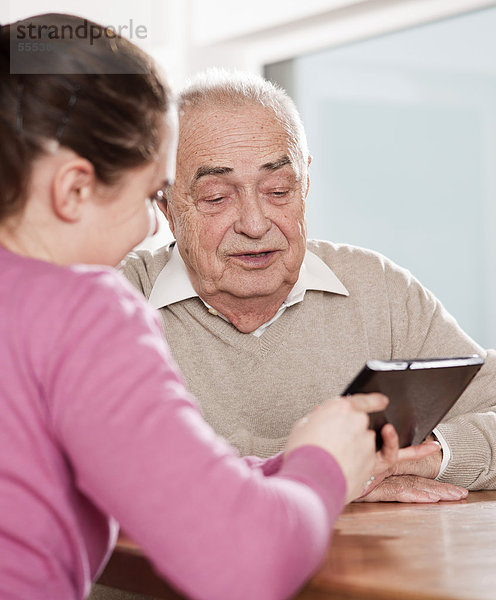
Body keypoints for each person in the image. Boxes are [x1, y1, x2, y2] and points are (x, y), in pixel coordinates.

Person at [0, 13, 431, 600]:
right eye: (152, 196)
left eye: (279, 190)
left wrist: (295, 463)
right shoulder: (85, 309)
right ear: (74, 190)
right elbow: (245, 568)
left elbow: (151, 483)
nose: (156, 224)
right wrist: (321, 468)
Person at [124, 69, 496, 503]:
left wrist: (420, 457)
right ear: (165, 205)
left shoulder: (379, 290)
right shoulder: (115, 299)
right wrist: (327, 478)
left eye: (279, 190)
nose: (256, 224)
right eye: (216, 198)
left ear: (306, 183)